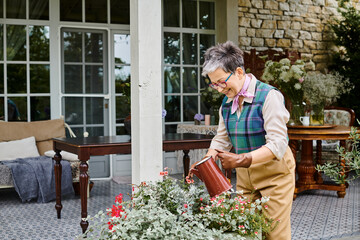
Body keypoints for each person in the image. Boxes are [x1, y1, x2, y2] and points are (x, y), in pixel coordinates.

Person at [192, 41, 295, 240]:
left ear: (239, 72)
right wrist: (206, 161)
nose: (219, 89)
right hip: (246, 179)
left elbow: (278, 144)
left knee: (274, 234)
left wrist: (242, 159)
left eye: (221, 81)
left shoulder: (269, 96)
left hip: (275, 176)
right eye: (214, 84)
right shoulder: (227, 102)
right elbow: (221, 138)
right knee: (242, 232)